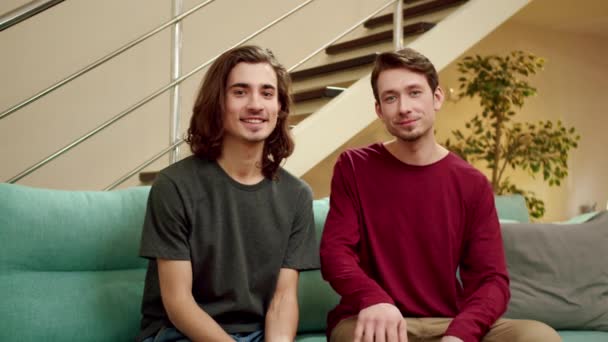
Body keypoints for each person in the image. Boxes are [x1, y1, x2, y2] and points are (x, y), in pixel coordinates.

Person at [319, 48, 561, 342]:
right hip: (374, 318)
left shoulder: (472, 183)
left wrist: (460, 334)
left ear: (437, 98)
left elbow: (491, 280)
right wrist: (374, 299)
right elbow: (335, 253)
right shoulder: (354, 167)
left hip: (448, 322)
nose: (404, 107)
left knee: (538, 337)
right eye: (391, 98)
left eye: (414, 93)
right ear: (380, 111)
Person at [137, 45, 319, 342]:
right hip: (179, 334)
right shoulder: (173, 186)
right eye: (240, 92)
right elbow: (179, 304)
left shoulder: (296, 195)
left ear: (279, 107)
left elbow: (282, 301)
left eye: (267, 93)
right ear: (217, 103)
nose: (256, 104)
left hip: (259, 334)